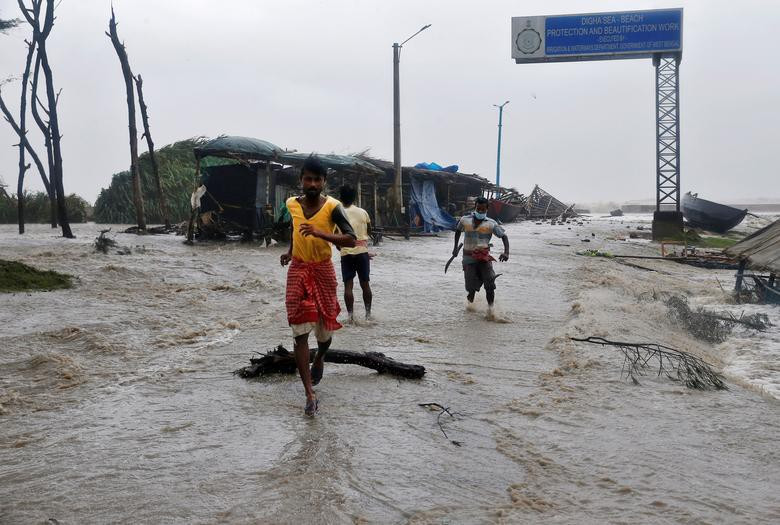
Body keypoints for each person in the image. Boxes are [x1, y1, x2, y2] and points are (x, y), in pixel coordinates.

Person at [280, 156, 356, 416]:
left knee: (324, 335)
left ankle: (321, 356)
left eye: (317, 179)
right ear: (301, 180)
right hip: (299, 270)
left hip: (323, 271)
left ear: (324, 182)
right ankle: (309, 394)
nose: (312, 184)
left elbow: (351, 239)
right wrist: (290, 252)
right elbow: (295, 229)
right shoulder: (291, 203)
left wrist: (321, 233)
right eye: (307, 179)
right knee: (299, 332)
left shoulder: (333, 207)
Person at [452, 196, 509, 312]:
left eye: (483, 209)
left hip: (484, 257)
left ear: (487, 209)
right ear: (475, 207)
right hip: (468, 257)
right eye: (478, 209)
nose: (480, 211)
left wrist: (506, 252)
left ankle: (491, 311)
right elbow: (458, 231)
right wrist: (455, 248)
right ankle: (470, 303)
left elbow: (504, 236)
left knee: (489, 283)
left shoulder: (491, 223)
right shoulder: (464, 220)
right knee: (470, 287)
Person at [337, 185, 373, 322]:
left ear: (340, 198)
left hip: (346, 252)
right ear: (355, 198)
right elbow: (369, 230)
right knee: (365, 284)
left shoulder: (338, 213)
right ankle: (368, 315)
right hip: (362, 252)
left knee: (348, 286)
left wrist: (340, 247)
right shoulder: (363, 212)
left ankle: (350, 317)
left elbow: (335, 235)